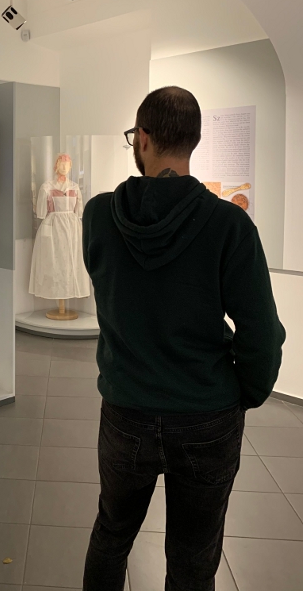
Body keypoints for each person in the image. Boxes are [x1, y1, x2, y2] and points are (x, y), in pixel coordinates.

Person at [81, 87, 286, 591]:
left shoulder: (99, 216)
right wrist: (243, 393)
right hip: (206, 414)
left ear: (142, 139)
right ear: (193, 141)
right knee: (193, 558)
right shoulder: (229, 225)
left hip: (126, 408)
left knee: (111, 535)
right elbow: (261, 334)